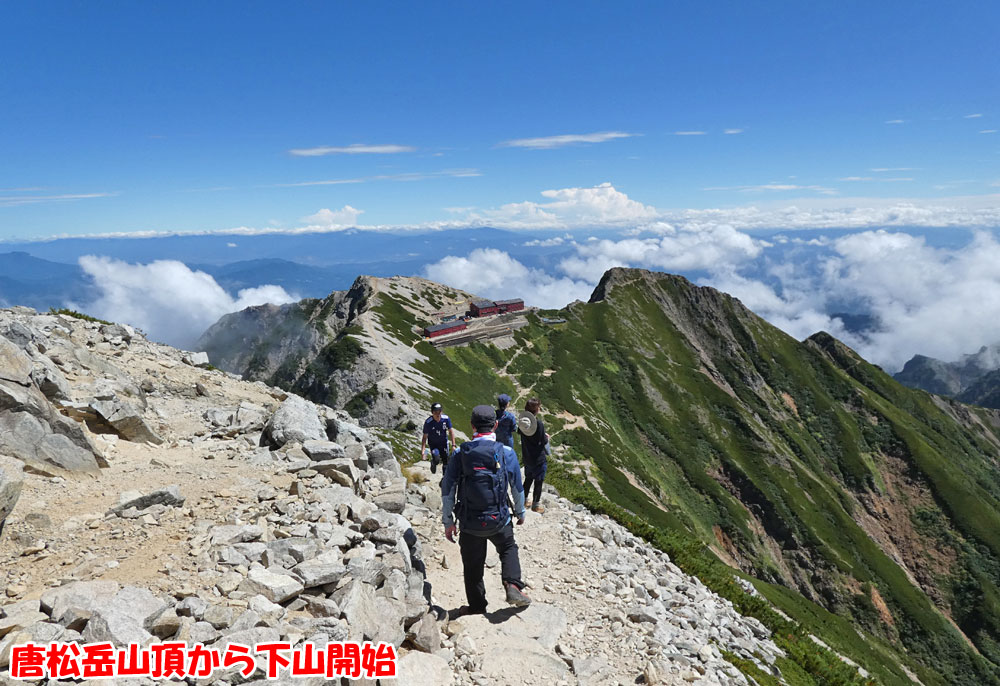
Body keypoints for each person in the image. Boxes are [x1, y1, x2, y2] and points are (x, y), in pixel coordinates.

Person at [441, 404, 531, 615]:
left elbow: (448, 490)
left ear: (472, 425)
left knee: (472, 566)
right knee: (508, 547)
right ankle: (513, 585)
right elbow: (517, 486)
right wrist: (520, 512)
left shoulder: (460, 454)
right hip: (498, 520)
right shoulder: (506, 453)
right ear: (496, 425)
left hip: (470, 522)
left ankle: (477, 607)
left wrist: (448, 522)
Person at [517, 397, 549, 514]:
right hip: (538, 458)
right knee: (539, 481)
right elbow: (543, 441)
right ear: (536, 410)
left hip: (527, 456)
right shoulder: (538, 424)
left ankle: (524, 501)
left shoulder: (523, 422)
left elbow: (522, 433)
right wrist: (546, 437)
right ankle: (536, 505)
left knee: (528, 479)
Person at [421, 402, 455, 474]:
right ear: (432, 412)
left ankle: (444, 478)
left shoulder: (446, 419)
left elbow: (451, 431)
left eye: (439, 411)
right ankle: (433, 462)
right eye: (435, 411)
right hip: (434, 444)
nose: (438, 413)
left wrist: (453, 445)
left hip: (443, 443)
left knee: (446, 461)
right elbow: (424, 437)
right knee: (436, 459)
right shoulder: (428, 422)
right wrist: (423, 450)